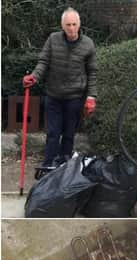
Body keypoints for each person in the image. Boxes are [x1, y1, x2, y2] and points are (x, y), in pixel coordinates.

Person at [22, 7, 97, 168]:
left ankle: (64, 165)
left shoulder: (88, 44)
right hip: (54, 95)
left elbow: (92, 72)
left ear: (79, 24)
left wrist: (91, 97)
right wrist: (34, 77)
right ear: (62, 25)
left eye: (74, 24)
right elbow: (44, 62)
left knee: (69, 135)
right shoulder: (53, 39)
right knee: (53, 134)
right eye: (68, 24)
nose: (71, 28)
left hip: (75, 98)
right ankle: (48, 166)